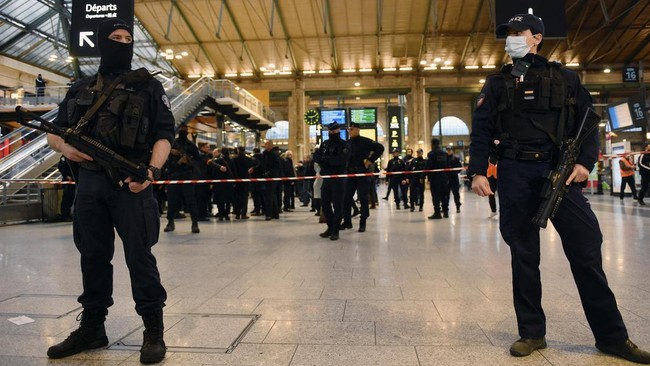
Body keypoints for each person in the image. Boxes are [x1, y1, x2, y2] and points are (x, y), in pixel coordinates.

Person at [468, 13, 650, 363]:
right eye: (507, 34)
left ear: (537, 37)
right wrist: (478, 171)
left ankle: (612, 337)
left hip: (559, 172)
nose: (510, 39)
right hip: (515, 171)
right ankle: (532, 332)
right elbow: (480, 130)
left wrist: (585, 162)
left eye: (518, 33)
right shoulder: (496, 83)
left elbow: (589, 121)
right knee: (524, 256)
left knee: (587, 249)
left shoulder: (565, 77)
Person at [46, 18, 173, 364]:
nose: (123, 42)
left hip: (131, 184)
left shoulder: (148, 87)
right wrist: (65, 149)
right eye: (116, 37)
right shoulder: (80, 87)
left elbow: (165, 134)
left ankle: (153, 329)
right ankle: (92, 328)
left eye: (127, 38)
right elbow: (54, 132)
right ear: (103, 43)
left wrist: (152, 171)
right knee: (93, 257)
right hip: (88, 183)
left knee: (139, 256)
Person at [341, 122, 384, 232]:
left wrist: (370, 161)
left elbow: (380, 148)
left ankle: (362, 222)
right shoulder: (347, 143)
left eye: (352, 129)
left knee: (363, 198)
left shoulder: (365, 141)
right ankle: (347, 222)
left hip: (362, 174)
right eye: (348, 129)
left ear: (357, 130)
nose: (349, 131)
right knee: (346, 198)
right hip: (350, 174)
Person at [313, 122, 350, 240]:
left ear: (338, 131)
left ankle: (335, 230)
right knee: (325, 203)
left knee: (338, 204)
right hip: (327, 178)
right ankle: (330, 226)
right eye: (330, 132)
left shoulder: (344, 145)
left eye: (333, 132)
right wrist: (326, 160)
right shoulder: (325, 144)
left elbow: (341, 161)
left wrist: (325, 160)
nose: (331, 134)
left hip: (339, 178)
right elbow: (316, 157)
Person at [164, 124, 200, 233]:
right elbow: (165, 160)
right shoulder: (172, 144)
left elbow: (198, 161)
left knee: (191, 201)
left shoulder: (191, 146)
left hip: (187, 175)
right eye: (182, 129)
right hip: (174, 174)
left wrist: (188, 161)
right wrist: (171, 153)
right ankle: (170, 222)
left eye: (185, 129)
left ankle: (195, 223)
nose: (183, 131)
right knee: (172, 200)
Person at [426, 138, 449, 219]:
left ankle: (437, 213)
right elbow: (447, 166)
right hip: (444, 177)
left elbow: (429, 166)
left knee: (436, 196)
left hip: (435, 178)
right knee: (444, 195)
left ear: (432, 144)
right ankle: (446, 212)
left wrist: (426, 177)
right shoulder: (445, 154)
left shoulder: (431, 154)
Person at [231, 146, 255, 219]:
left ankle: (237, 214)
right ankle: (244, 213)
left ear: (238, 150)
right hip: (246, 180)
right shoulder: (249, 159)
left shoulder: (234, 159)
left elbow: (233, 170)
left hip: (237, 180)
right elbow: (251, 169)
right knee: (245, 198)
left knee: (237, 197)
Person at [261, 140, 282, 220]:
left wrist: (269, 173)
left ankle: (269, 214)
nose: (265, 146)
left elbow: (277, 167)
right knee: (271, 195)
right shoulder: (264, 154)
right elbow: (262, 164)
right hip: (266, 177)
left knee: (269, 196)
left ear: (270, 145)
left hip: (272, 177)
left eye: (266, 144)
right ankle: (275, 213)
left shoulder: (274, 155)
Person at [446, 148, 462, 213]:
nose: (449, 151)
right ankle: (445, 208)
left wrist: (455, 172)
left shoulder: (456, 158)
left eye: (450, 150)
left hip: (454, 178)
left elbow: (460, 167)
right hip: (447, 178)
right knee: (446, 194)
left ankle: (458, 207)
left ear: (452, 151)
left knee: (456, 194)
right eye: (448, 150)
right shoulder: (445, 158)